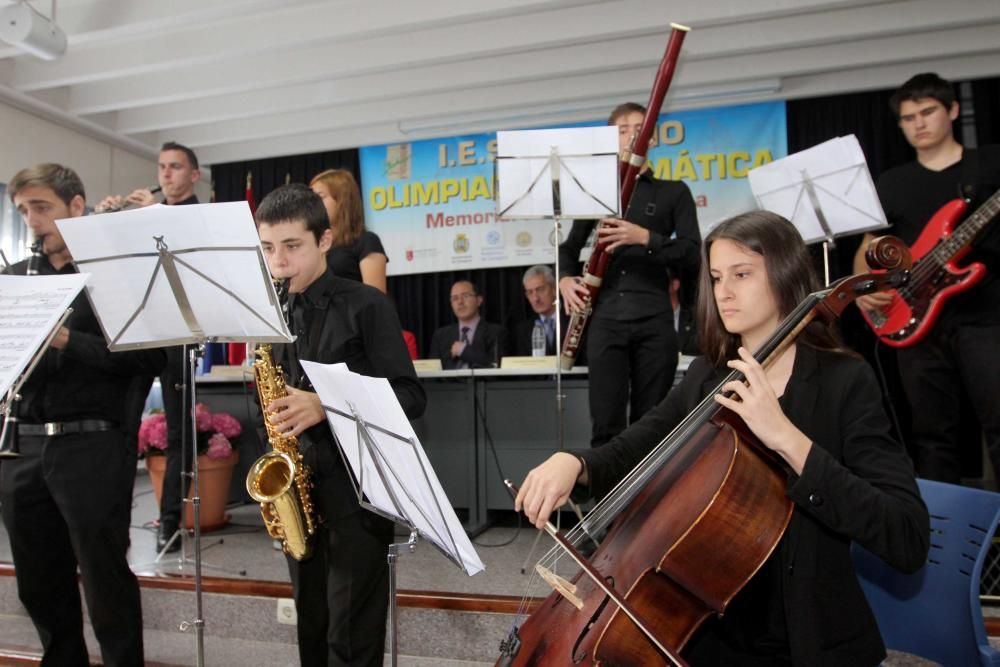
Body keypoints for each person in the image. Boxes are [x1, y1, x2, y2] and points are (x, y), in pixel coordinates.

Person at [517, 211, 929, 665]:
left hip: (802, 637)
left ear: (786, 273)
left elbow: (906, 536)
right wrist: (576, 464)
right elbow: (639, 442)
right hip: (706, 630)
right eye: (716, 277)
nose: (724, 292)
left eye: (742, 274)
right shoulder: (710, 374)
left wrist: (788, 439)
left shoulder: (844, 381)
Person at [1, 163, 166, 665]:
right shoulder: (15, 278)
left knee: (103, 577)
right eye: (24, 210)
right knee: (39, 582)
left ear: (77, 207)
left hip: (91, 445)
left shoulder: (114, 277)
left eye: (42, 207)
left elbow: (149, 358)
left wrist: (68, 338)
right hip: (22, 445)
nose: (32, 219)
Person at [255, 184, 426, 666]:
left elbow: (411, 396)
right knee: (310, 625)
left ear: (325, 240)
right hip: (299, 489)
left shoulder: (367, 305)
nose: (279, 261)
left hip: (357, 494)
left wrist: (326, 406)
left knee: (351, 636)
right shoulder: (271, 314)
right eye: (268, 248)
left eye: (293, 246)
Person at [853, 72, 1000, 485]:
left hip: (984, 316)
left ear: (952, 110)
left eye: (928, 112)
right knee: (932, 437)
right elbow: (867, 248)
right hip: (915, 320)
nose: (918, 123)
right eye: (907, 117)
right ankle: (944, 540)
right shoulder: (893, 183)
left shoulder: (988, 163)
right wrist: (865, 290)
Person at [559, 101, 701, 447]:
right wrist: (564, 279)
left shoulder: (673, 191)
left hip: (655, 319)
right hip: (605, 319)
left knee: (652, 425)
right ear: (611, 140)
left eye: (640, 129)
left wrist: (645, 237)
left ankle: (651, 500)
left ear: (651, 139)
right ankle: (609, 501)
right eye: (622, 130)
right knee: (605, 426)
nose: (632, 136)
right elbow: (567, 247)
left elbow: (692, 251)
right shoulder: (597, 193)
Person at [97, 142, 205, 553]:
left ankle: (172, 523)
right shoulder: (146, 212)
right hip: (140, 328)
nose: (165, 175)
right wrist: (112, 222)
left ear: (193, 175)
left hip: (178, 332)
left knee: (179, 433)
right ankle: (114, 522)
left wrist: (154, 218)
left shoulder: (197, 215)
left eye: (175, 167)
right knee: (123, 426)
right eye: (161, 167)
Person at [310, 168, 389, 293]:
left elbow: (376, 299)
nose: (312, 204)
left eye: (320, 197)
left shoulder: (367, 241)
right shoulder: (314, 244)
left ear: (342, 200)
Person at [428, 280, 507, 369]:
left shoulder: (496, 332)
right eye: (455, 298)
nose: (460, 302)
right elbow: (433, 372)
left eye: (465, 296)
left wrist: (464, 351)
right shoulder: (440, 336)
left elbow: (497, 366)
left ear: (479, 300)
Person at [511, 265, 567, 357]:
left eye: (540, 290)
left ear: (555, 289)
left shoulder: (574, 321)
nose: (535, 298)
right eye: (530, 292)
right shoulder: (523, 330)